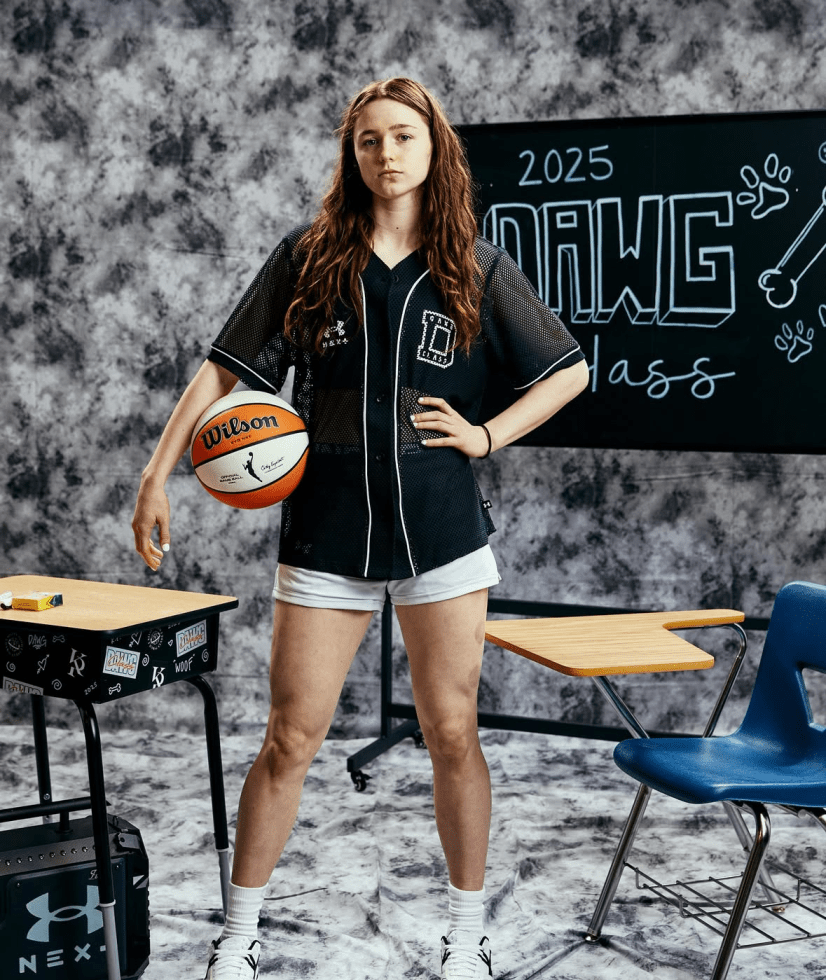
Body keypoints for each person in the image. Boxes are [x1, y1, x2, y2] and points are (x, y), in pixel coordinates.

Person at [132, 77, 588, 980]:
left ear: (434, 147)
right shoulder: (307, 259)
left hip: (442, 531)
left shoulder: (475, 266)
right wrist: (157, 473)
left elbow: (568, 369)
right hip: (328, 531)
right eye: (370, 139)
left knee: (452, 733)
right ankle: (238, 937)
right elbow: (223, 370)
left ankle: (465, 936)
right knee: (289, 739)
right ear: (353, 153)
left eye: (404, 136)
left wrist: (486, 434)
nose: (387, 153)